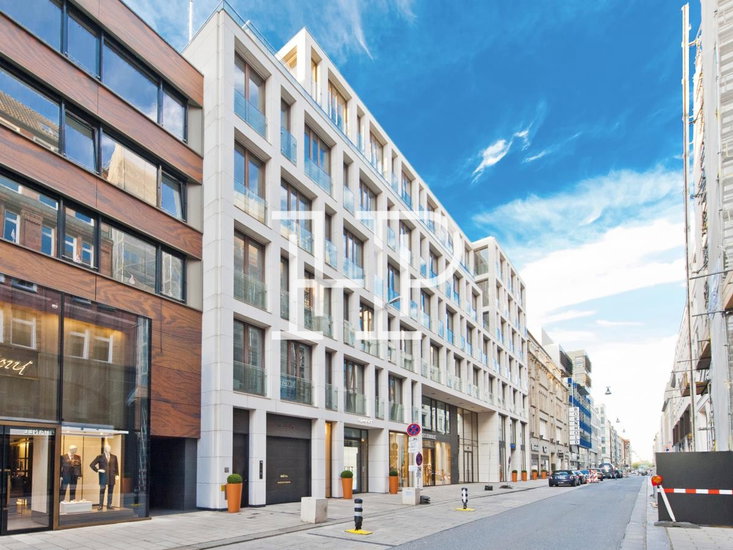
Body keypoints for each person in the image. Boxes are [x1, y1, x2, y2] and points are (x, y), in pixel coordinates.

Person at [89, 444, 119, 510]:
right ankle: (100, 505)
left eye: (110, 448)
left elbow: (116, 466)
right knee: (102, 490)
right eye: (108, 448)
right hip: (103, 476)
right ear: (105, 449)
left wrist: (117, 475)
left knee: (110, 491)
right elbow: (92, 465)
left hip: (112, 476)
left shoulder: (114, 457)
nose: (109, 449)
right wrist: (98, 470)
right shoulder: (100, 457)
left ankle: (109, 504)